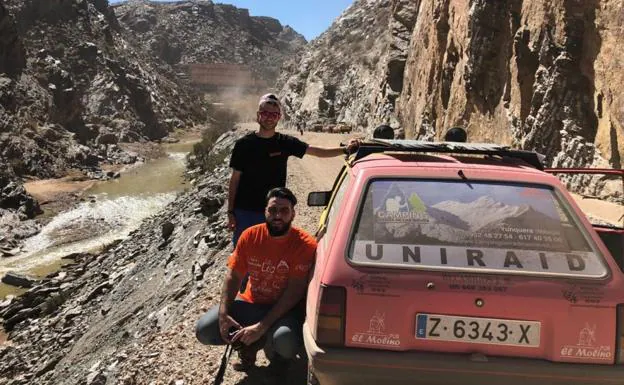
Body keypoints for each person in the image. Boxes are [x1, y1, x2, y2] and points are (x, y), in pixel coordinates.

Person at [196, 187, 316, 378]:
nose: (278, 216)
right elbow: (233, 277)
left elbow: (294, 291)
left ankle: (280, 360)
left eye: (284, 211)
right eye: (272, 210)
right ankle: (247, 346)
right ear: (265, 212)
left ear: (293, 214)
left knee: (285, 341)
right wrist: (224, 314)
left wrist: (261, 326)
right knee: (205, 330)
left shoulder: (305, 244)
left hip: (284, 310)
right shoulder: (250, 236)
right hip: (252, 303)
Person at [227, 93, 359, 246]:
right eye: (265, 113)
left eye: (274, 114)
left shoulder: (285, 142)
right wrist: (230, 212)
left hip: (275, 213)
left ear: (279, 117)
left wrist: (345, 150)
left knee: (272, 255)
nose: (269, 118)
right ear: (258, 115)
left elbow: (316, 151)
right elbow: (234, 179)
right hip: (246, 211)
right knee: (244, 255)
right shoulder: (243, 145)